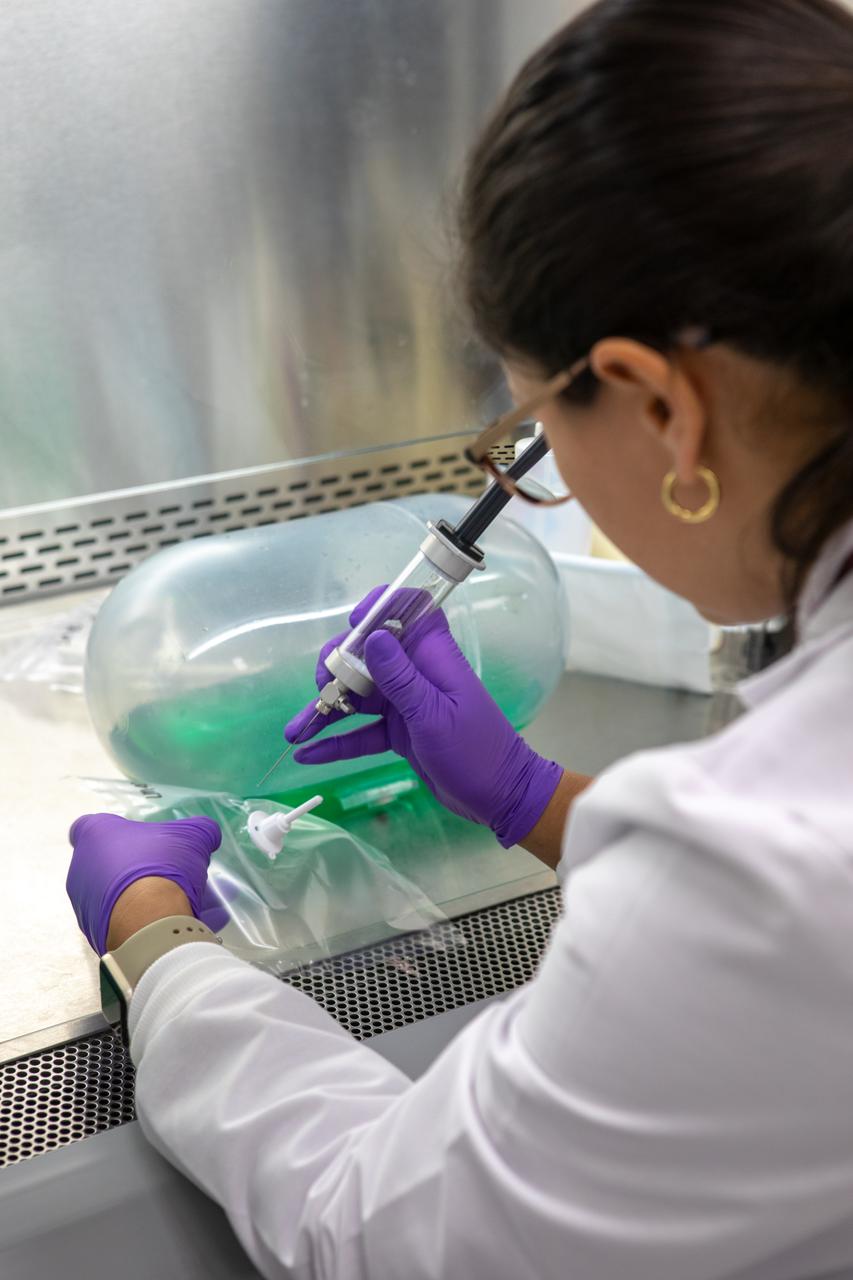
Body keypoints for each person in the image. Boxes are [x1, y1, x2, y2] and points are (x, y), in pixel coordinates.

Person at [66, 1, 853, 1275]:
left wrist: (157, 935)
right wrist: (541, 801)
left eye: (535, 430)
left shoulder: (758, 866)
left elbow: (388, 1228)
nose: (546, 476)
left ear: (659, 403)